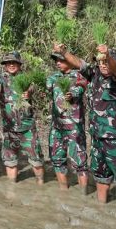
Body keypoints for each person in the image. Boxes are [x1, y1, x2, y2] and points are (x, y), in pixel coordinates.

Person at [55, 43, 116, 213]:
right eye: (100, 62)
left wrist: (108, 56)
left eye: (106, 62)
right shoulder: (94, 75)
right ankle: (101, 208)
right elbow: (79, 64)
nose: (103, 65)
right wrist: (64, 52)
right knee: (100, 176)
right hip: (97, 136)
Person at [0, 51, 45, 184]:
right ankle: (11, 190)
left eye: (14, 62)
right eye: (8, 63)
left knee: (36, 160)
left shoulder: (27, 78)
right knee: (10, 161)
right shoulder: (0, 79)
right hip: (9, 128)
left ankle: (40, 185)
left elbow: (32, 87)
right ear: (5, 65)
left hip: (27, 128)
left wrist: (28, 93)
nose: (11, 65)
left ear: (19, 64)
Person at [47, 51, 88, 192]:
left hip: (74, 127)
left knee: (79, 161)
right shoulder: (53, 77)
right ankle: (63, 191)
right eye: (56, 60)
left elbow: (81, 88)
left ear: (70, 61)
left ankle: (83, 194)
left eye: (61, 60)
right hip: (57, 126)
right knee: (57, 159)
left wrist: (72, 94)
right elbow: (45, 87)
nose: (58, 62)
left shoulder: (79, 76)